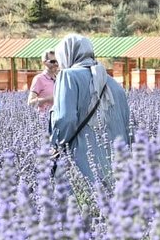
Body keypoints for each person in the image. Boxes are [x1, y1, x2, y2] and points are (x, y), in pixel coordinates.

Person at [49, 34, 131, 182]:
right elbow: (128, 127)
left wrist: (56, 144)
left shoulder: (67, 76)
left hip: (82, 163)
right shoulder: (113, 83)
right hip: (119, 168)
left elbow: (64, 119)